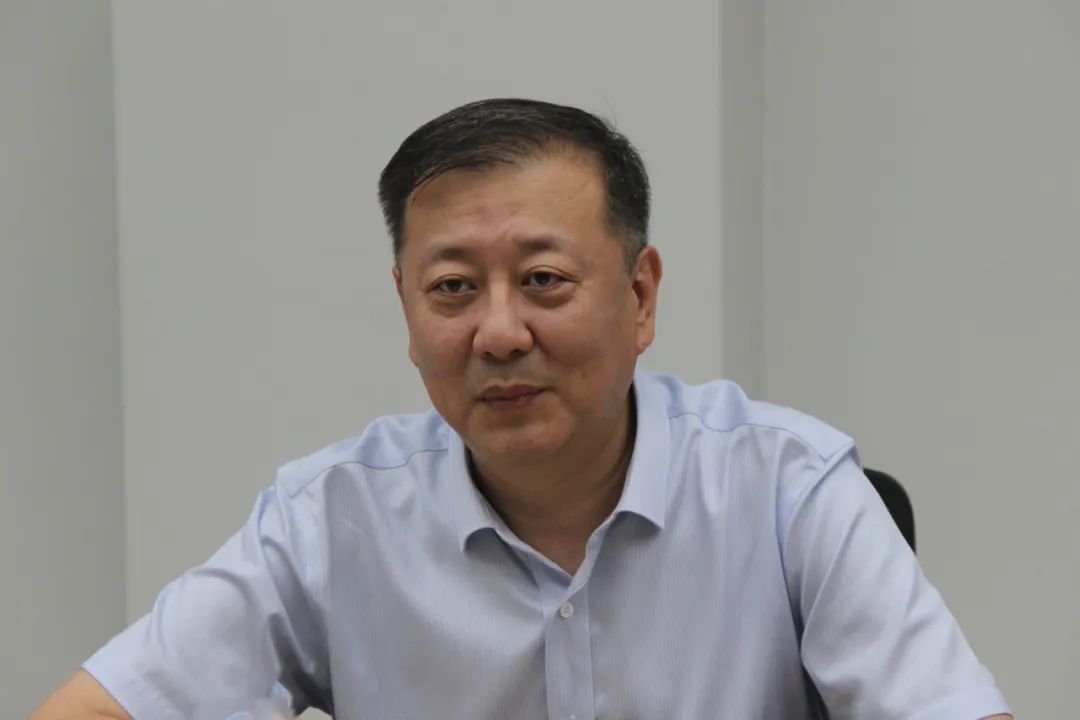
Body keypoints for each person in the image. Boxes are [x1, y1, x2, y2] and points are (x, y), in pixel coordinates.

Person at [32, 98, 1012, 720]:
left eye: (544, 280)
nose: (498, 333)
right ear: (407, 312)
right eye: (453, 289)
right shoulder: (331, 518)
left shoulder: (789, 487)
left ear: (640, 296)